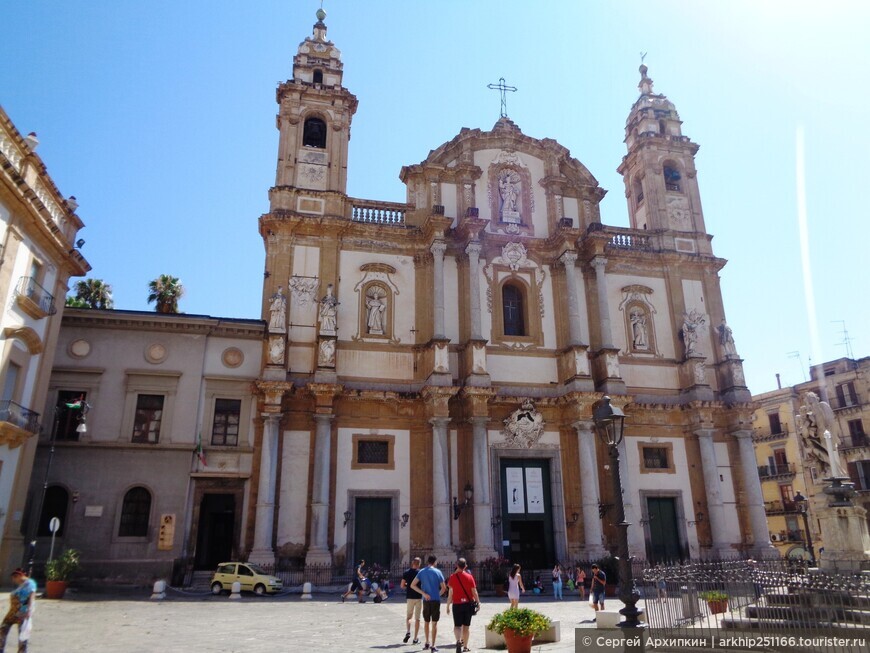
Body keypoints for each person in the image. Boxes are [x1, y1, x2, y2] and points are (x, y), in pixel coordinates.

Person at [411, 555, 447, 653]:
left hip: (426, 600)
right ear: (435, 562)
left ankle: (427, 642)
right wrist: (437, 594)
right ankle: (433, 645)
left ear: (427, 562)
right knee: (434, 623)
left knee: (426, 622)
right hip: (435, 599)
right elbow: (444, 588)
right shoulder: (438, 572)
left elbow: (412, 585)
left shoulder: (422, 571)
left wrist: (424, 594)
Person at [446, 558, 479, 653]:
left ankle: (458, 641)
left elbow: (450, 593)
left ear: (456, 565)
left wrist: (448, 605)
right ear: (466, 566)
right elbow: (474, 591)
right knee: (466, 627)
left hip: (457, 604)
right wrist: (478, 602)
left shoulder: (452, 577)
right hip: (468, 604)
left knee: (457, 626)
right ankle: (465, 647)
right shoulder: (469, 577)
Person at [0, 568, 36, 653]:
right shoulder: (21, 585)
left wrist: (29, 611)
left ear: (20, 576)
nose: (14, 580)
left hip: (22, 612)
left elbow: (32, 596)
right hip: (12, 612)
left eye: (15, 577)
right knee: (3, 629)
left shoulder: (30, 584)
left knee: (22, 636)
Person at [401, 557, 423, 645]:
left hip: (409, 597)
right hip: (418, 597)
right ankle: (415, 638)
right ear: (419, 564)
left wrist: (407, 586)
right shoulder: (420, 573)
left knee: (409, 617)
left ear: (412, 563)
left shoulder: (406, 572)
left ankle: (408, 631)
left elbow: (402, 585)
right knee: (417, 619)